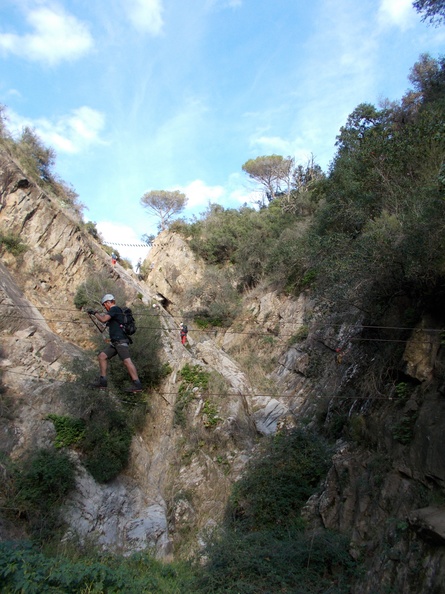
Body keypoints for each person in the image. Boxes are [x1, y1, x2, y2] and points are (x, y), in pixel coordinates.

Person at [88, 294, 142, 392]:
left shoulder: (114, 309)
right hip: (115, 342)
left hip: (120, 341)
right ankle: (103, 382)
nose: (105, 307)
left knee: (127, 361)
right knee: (102, 356)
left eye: (104, 305)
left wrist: (94, 313)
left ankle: (137, 384)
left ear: (108, 302)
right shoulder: (116, 311)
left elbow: (103, 319)